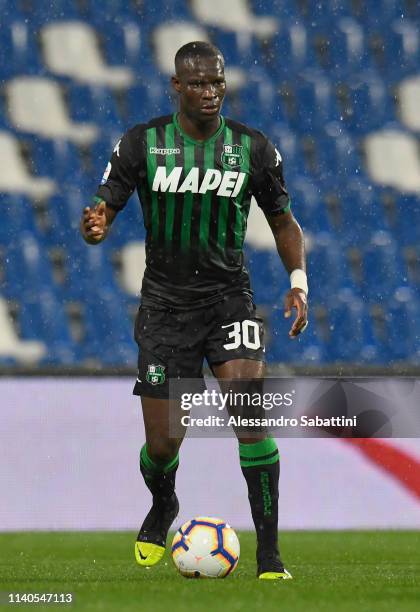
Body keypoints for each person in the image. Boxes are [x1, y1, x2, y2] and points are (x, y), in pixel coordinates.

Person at [80, 41, 308, 580]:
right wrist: (95, 227)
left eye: (217, 82)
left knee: (250, 421)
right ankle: (164, 504)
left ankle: (270, 557)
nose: (210, 92)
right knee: (163, 444)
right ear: (176, 88)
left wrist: (298, 282)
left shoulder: (252, 148)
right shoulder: (142, 143)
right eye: (198, 83)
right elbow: (102, 212)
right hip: (164, 308)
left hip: (230, 299)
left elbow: (283, 221)